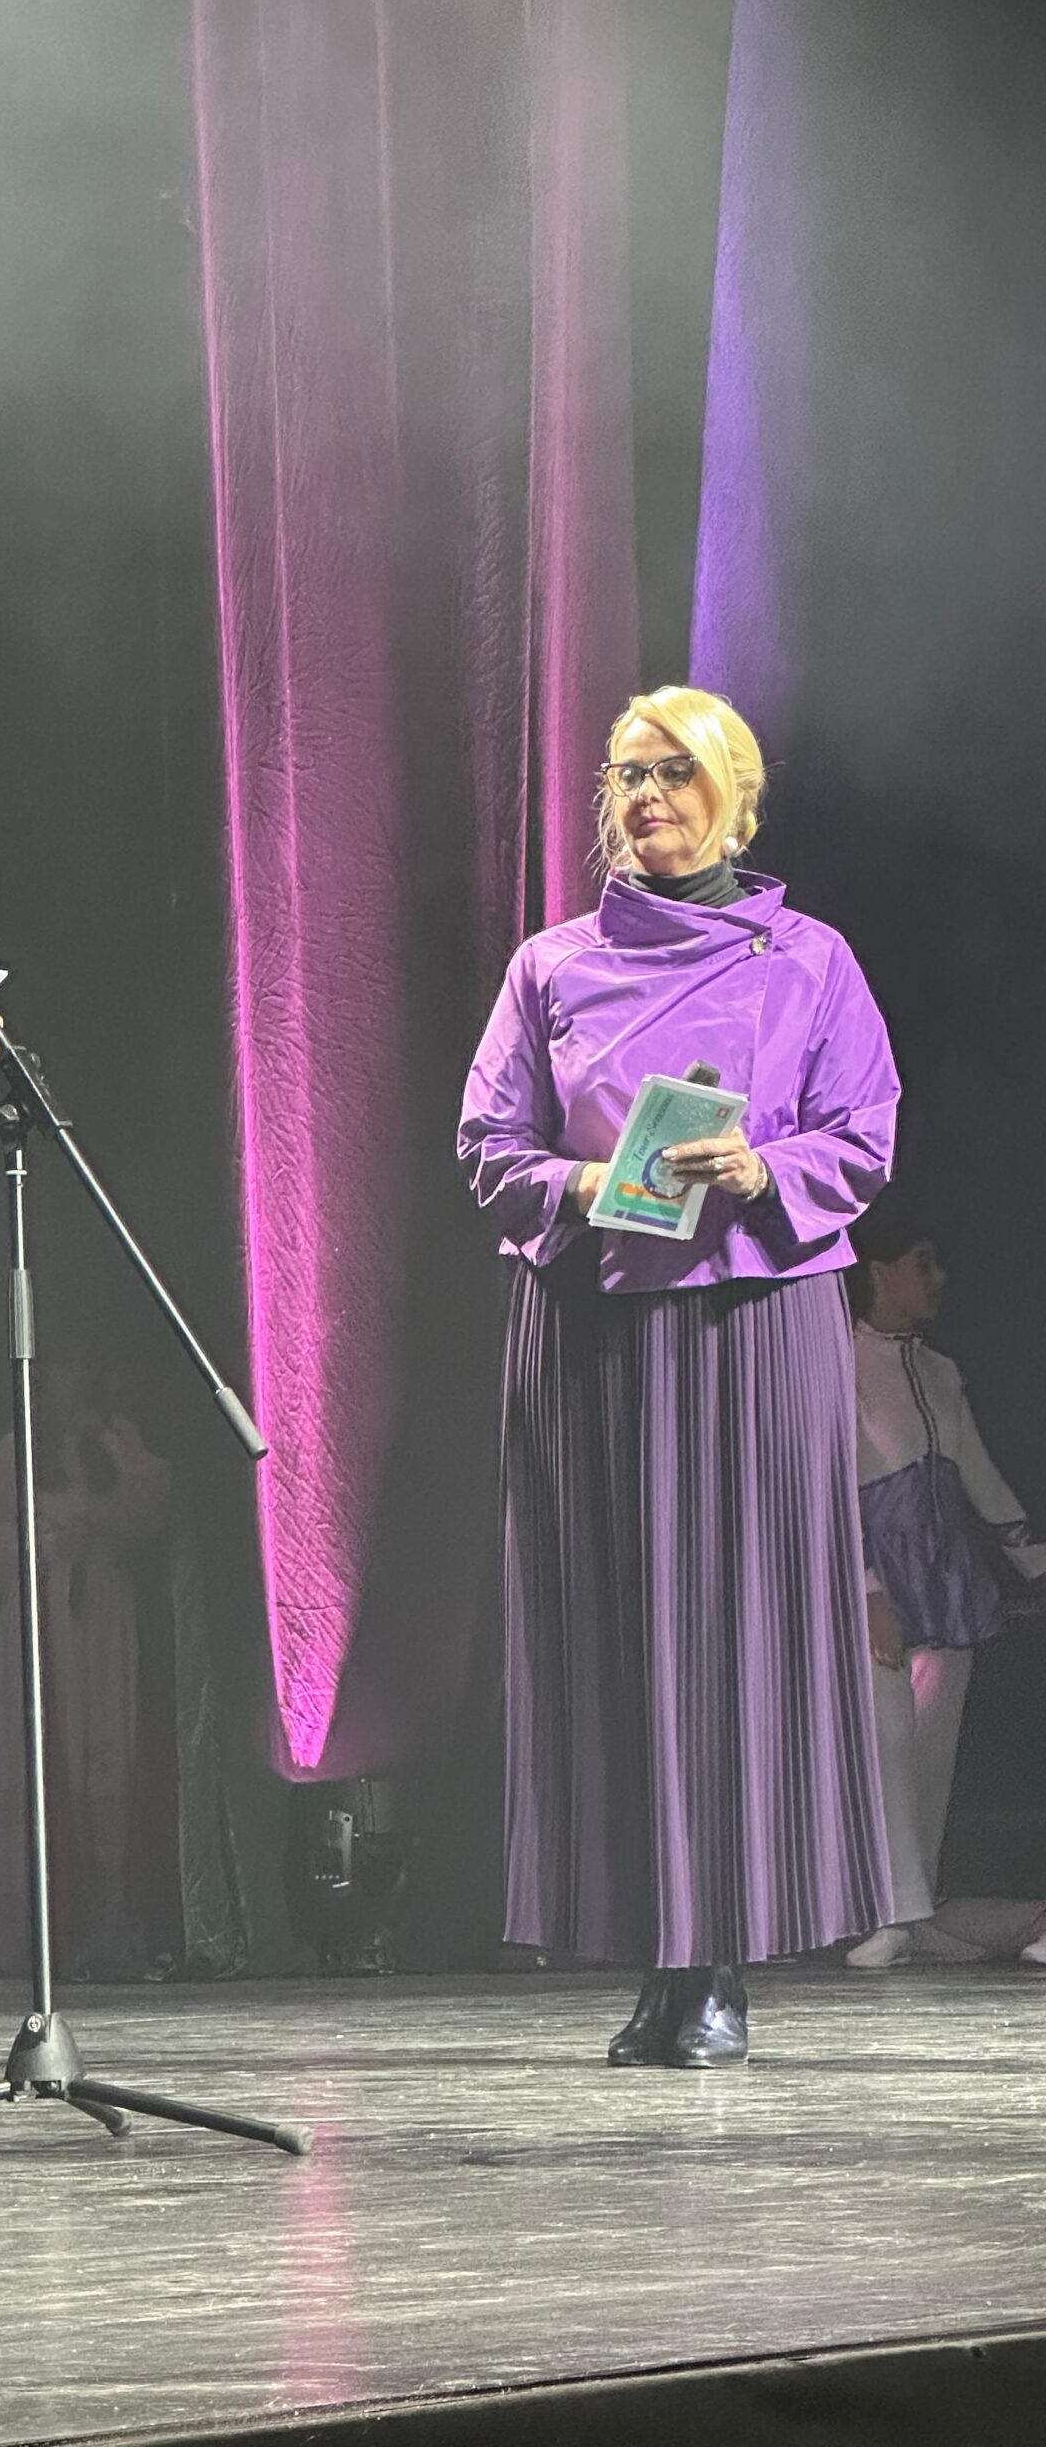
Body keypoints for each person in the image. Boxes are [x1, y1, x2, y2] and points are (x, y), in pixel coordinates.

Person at [458, 686, 898, 2067]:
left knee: (740, 1638)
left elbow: (865, 1135)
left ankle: (720, 1967)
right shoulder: (551, 966)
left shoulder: (812, 959)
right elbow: (487, 1148)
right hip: (594, 1328)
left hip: (755, 1325)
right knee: (617, 1635)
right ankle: (658, 1956)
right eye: (627, 775)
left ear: (735, 799)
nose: (646, 796)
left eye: (675, 773)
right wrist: (587, 1183)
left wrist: (764, 1166)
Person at [842, 1198, 1046, 1969]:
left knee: (931, 1752)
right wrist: (866, 1588)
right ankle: (893, 1908)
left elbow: (979, 1476)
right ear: (879, 1272)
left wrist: (1034, 1561)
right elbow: (828, 1486)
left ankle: (918, 1905)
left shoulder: (940, 1371)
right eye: (922, 1263)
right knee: (888, 1746)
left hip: (945, 1574)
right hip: (877, 1575)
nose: (939, 1279)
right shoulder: (839, 1364)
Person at [0, 1361, 175, 1981]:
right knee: (44, 1751)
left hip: (104, 1616)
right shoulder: (15, 1451)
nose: (73, 1384)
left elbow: (156, 1505)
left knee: (108, 1751)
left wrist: (102, 1514)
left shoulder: (117, 1441)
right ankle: (35, 1930)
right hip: (41, 1614)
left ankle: (110, 1927)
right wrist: (39, 1541)